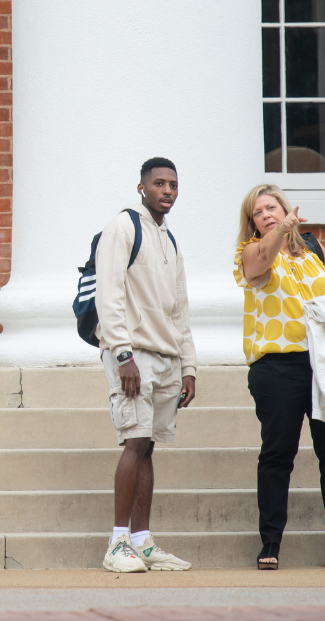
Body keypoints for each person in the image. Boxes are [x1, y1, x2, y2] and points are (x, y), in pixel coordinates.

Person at [232, 184, 325, 570]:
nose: (265, 214)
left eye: (271, 207)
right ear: (253, 222)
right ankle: (270, 543)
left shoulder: (311, 246)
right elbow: (261, 260)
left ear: (283, 206)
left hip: (323, 362)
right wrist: (282, 228)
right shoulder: (252, 251)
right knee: (278, 456)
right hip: (277, 369)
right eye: (258, 213)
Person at [95, 157, 197, 573]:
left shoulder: (170, 241)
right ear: (142, 188)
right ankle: (118, 542)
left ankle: (142, 541)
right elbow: (109, 293)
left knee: (149, 446)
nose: (167, 190)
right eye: (159, 183)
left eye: (173, 184)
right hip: (133, 354)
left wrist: (189, 365)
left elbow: (180, 310)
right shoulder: (123, 226)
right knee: (135, 441)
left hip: (167, 357)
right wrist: (122, 354)